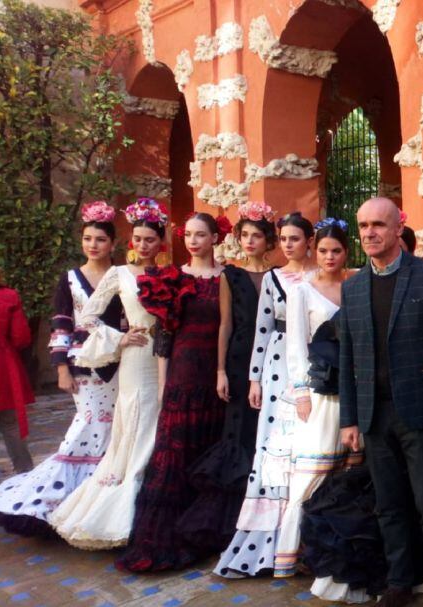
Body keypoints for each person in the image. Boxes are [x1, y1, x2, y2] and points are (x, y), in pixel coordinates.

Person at [337, 197, 423, 607]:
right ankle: (399, 582)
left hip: (422, 416)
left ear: (396, 229)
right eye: (363, 226)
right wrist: (349, 419)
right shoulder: (353, 286)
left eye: (378, 224)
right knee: (388, 505)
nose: (369, 233)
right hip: (374, 416)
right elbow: (348, 358)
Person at [0, 202, 123, 536]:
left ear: (112, 243)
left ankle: (104, 501)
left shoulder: (122, 276)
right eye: (87, 238)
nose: (93, 245)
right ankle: (62, 498)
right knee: (87, 425)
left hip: (120, 365)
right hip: (82, 365)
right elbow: (61, 325)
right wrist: (61, 369)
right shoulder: (69, 279)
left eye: (99, 239)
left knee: (116, 430)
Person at [50, 198, 165, 549]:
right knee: (134, 419)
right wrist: (119, 336)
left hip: (163, 357)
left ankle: (156, 494)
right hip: (132, 356)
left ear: (161, 243)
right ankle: (122, 498)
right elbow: (87, 316)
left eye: (150, 239)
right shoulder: (119, 274)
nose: (143, 245)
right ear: (130, 241)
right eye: (138, 239)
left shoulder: (170, 274)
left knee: (158, 418)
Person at [115, 212, 226, 571]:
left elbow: (230, 328)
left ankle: (204, 534)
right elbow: (165, 334)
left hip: (215, 376)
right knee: (173, 455)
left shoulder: (227, 277)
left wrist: (224, 373)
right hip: (180, 373)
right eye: (188, 234)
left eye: (200, 235)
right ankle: (168, 538)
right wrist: (164, 384)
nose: (193, 241)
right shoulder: (172, 277)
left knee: (208, 451)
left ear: (214, 238)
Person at [214, 211, 317, 578]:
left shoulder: (323, 276)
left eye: (296, 238)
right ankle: (267, 542)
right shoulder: (273, 279)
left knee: (307, 446)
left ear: (309, 242)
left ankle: (305, 538)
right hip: (277, 366)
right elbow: (261, 328)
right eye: (285, 238)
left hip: (314, 366)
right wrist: (255, 379)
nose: (289, 244)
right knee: (274, 446)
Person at [177, 202, 277, 552]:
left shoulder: (279, 275)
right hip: (236, 362)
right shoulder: (229, 276)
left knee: (264, 435)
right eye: (244, 235)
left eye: (257, 236)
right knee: (236, 433)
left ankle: (262, 518)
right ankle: (226, 523)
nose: (250, 241)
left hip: (272, 364)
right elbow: (225, 325)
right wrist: (220, 371)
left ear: (269, 241)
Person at [273, 218, 352, 579]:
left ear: (346, 253)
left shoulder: (356, 288)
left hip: (352, 392)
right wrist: (302, 393)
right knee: (312, 473)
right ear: (314, 251)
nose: (329, 256)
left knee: (348, 472)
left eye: (336, 250)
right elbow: (295, 347)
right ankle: (294, 551)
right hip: (319, 394)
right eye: (323, 250)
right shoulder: (302, 291)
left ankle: (336, 551)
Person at [0, 269, 34, 479]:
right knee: (10, 425)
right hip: (2, 367)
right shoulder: (8, 296)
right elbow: (21, 337)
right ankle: (25, 474)